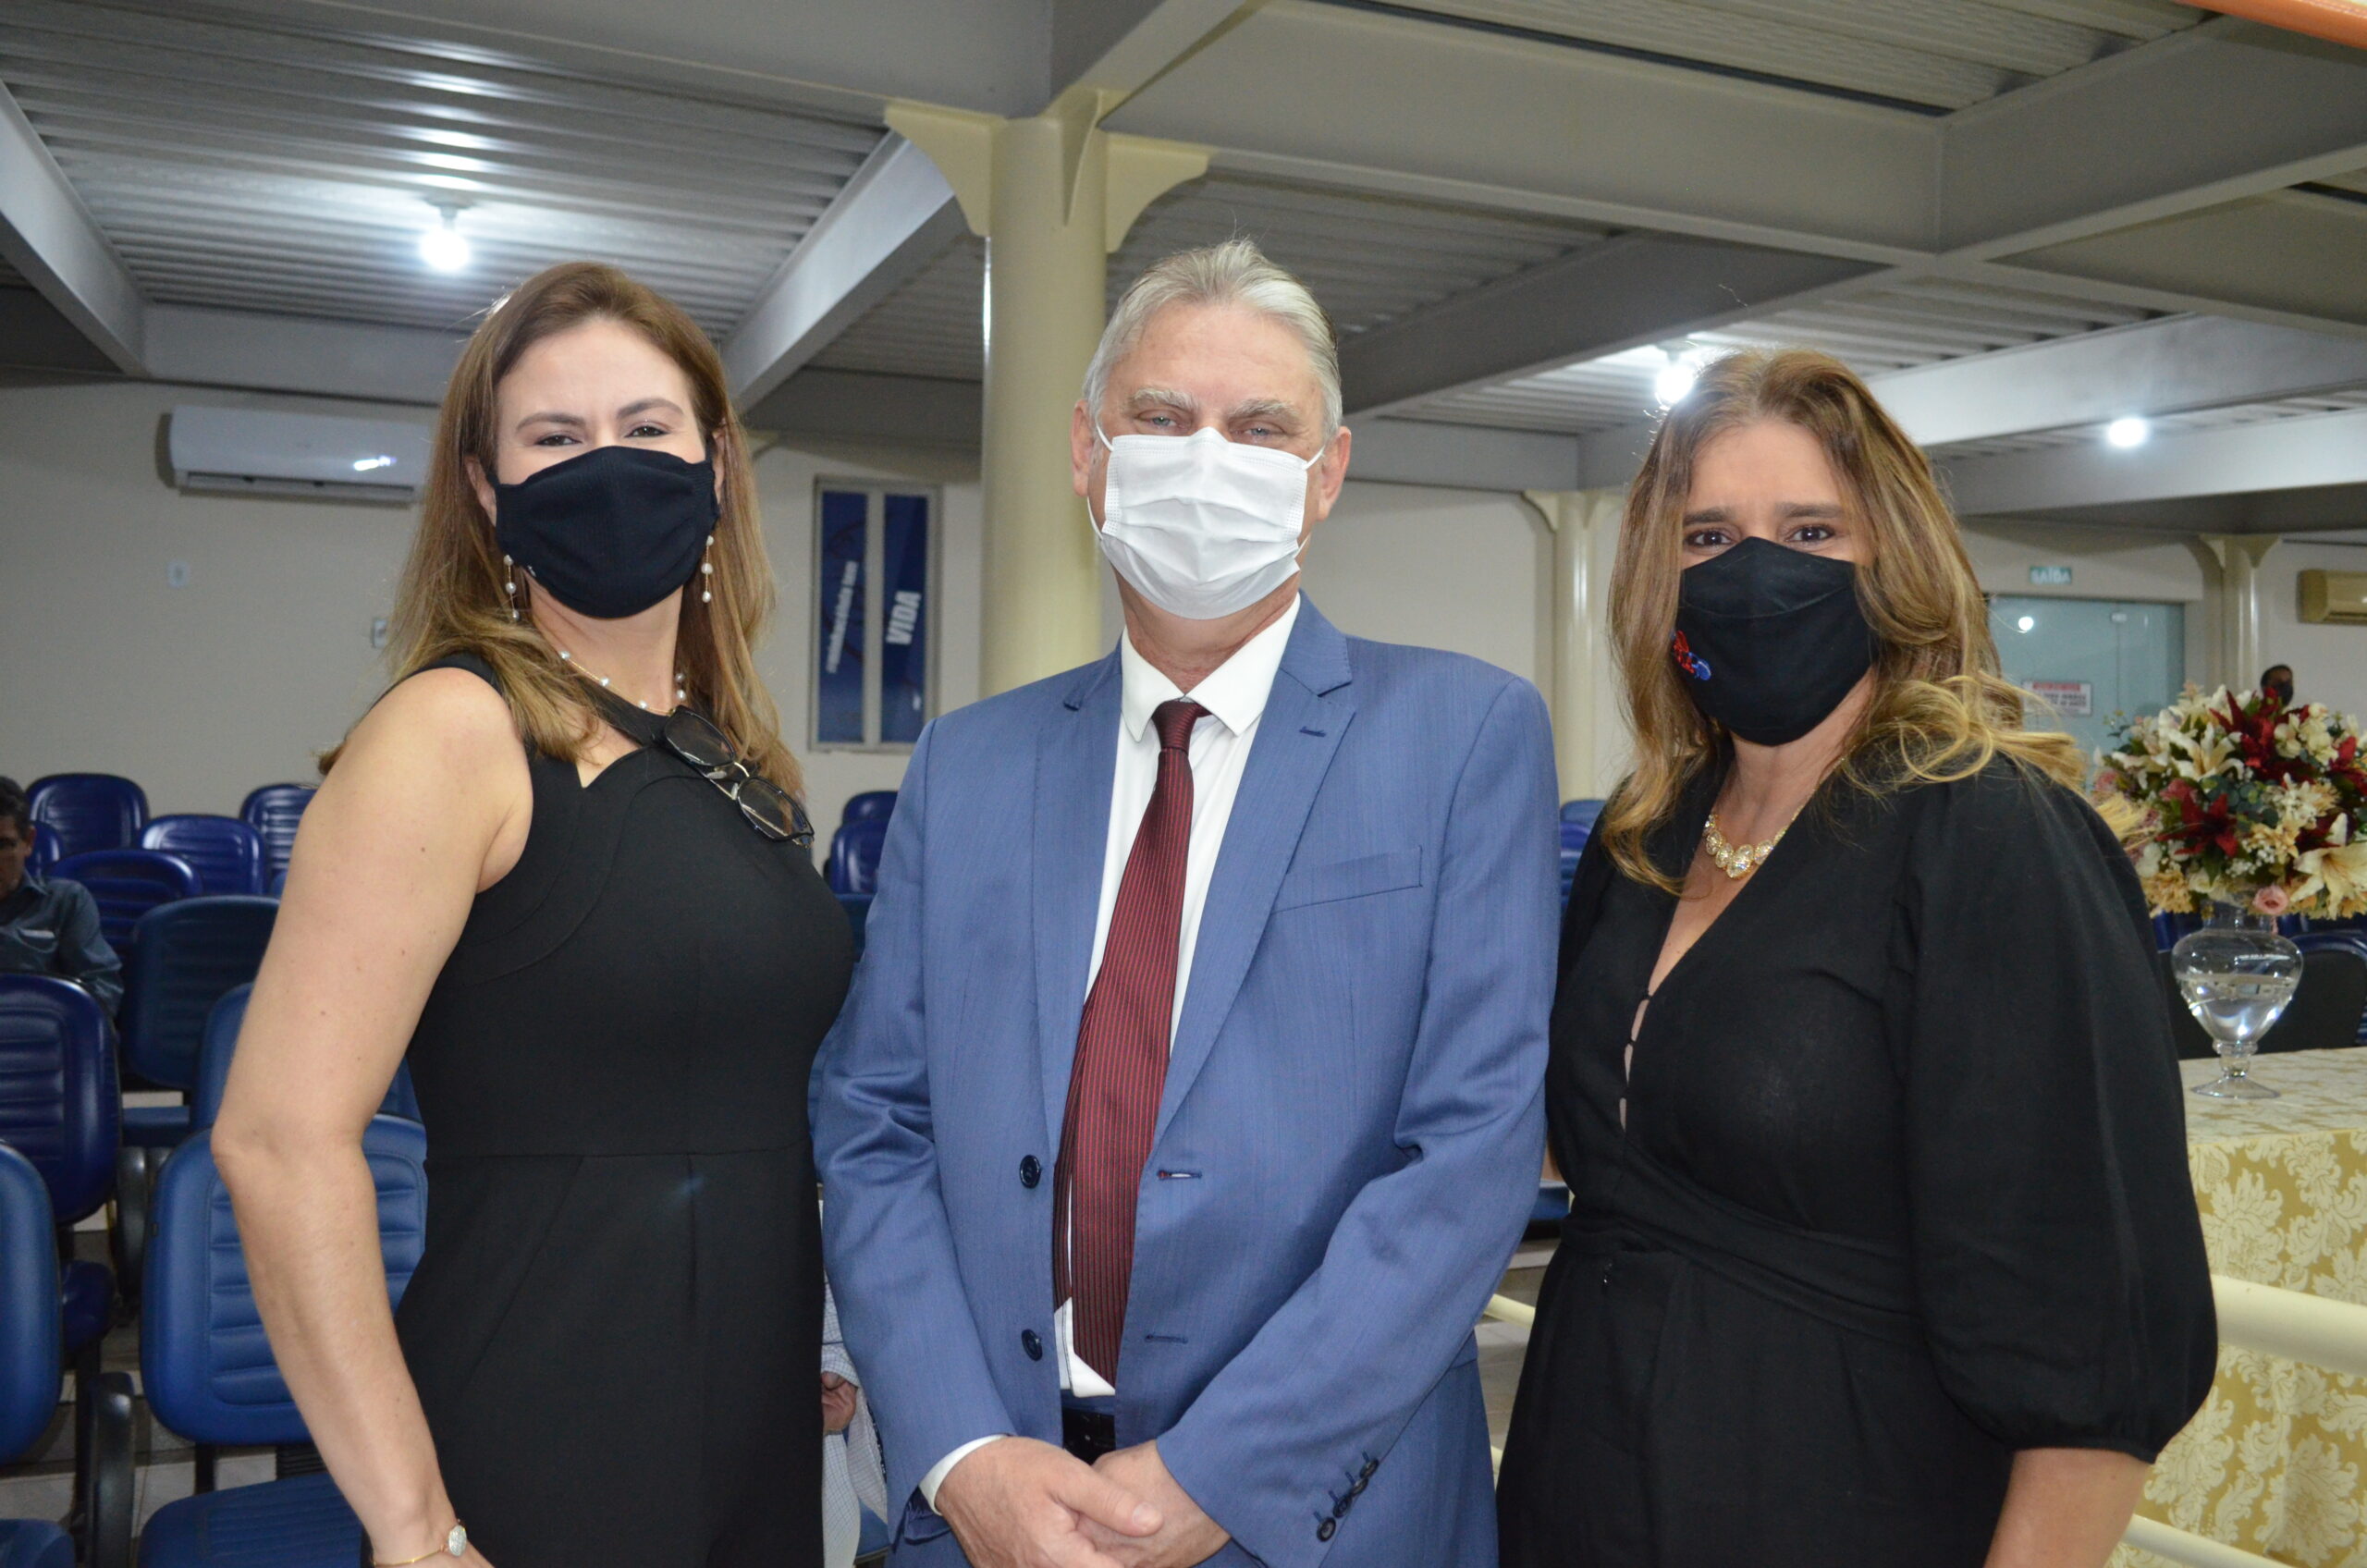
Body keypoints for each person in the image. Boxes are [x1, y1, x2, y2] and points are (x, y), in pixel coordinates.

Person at [816, 239, 1558, 1568]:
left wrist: (1221, 1473)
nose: (1207, 460)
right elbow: (875, 1120)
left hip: (1323, 1514)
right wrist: (962, 1454)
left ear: (1326, 474)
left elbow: (1467, 1159)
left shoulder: (1462, 738)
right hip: (996, 1500)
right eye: (1160, 418)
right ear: (1086, 452)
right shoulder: (968, 765)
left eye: (1260, 427)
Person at [1495, 349, 2215, 1568]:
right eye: (1709, 536)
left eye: (1810, 531)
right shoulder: (1646, 835)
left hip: (1848, 1497)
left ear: (1895, 562)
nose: (1756, 570)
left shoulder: (1990, 835)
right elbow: (1596, 1128)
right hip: (1582, 1484)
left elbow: (2088, 1332)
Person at [214, 262, 855, 1568]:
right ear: (485, 489)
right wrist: (414, 1529)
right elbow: (278, 1143)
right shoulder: (453, 732)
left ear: (717, 464)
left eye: (646, 427)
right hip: (543, 1428)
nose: (607, 465)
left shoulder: (735, 758)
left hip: (750, 1423)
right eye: (555, 439)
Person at [0, 777, 122, 1015]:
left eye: (2, 845)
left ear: (28, 842)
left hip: (40, 1030)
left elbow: (103, 990)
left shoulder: (65, 901)